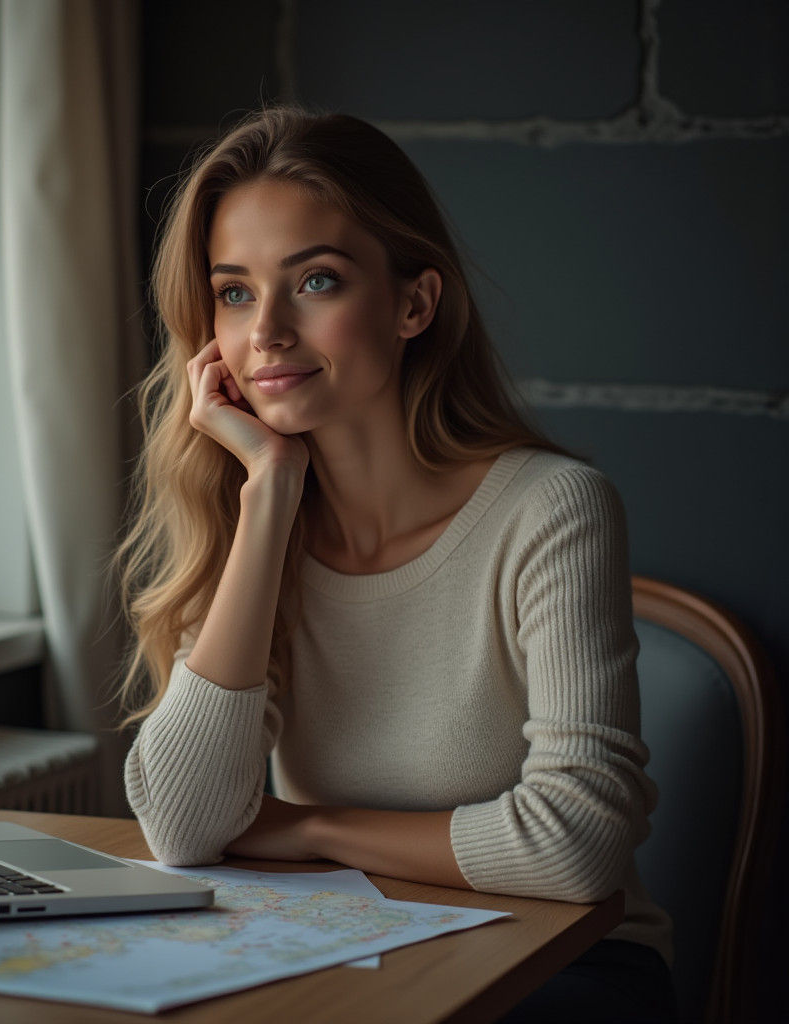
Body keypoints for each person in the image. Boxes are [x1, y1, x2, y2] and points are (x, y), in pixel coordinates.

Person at [112, 105, 677, 1023]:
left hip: (564, 967)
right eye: (236, 292)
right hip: (342, 949)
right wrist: (270, 495)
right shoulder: (253, 518)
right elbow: (182, 825)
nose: (267, 334)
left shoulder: (551, 508)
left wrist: (307, 826)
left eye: (317, 281)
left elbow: (577, 846)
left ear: (414, 303)